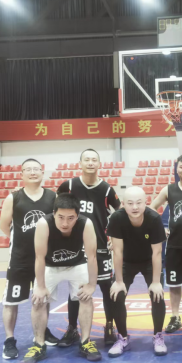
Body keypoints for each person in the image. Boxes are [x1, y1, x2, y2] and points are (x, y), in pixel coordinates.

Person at [19, 194, 100, 363]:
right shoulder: (44, 224)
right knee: (38, 300)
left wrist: (92, 285)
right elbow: (39, 257)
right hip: (50, 265)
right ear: (54, 213)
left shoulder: (86, 224)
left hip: (76, 264)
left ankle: (85, 342)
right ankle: (39, 345)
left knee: (85, 297)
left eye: (70, 218)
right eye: (61, 217)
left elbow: (92, 257)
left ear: (77, 216)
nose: (65, 223)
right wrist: (40, 286)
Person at [56, 148, 121, 347]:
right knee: (76, 291)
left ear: (99, 164)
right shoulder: (68, 186)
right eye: (87, 160)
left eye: (94, 160)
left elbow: (120, 213)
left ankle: (109, 326)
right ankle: (72, 328)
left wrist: (114, 237)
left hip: (100, 248)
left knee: (107, 288)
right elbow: (56, 211)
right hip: (75, 249)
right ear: (80, 163)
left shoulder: (107, 190)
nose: (91, 163)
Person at [0, 158, 58, 359]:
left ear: (42, 172)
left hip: (45, 259)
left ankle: (41, 333)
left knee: (43, 298)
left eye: (36, 169)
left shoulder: (52, 197)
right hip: (20, 260)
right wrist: (20, 240)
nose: (33, 172)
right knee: (11, 301)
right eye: (28, 169)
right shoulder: (13, 198)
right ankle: (9, 340)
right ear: (22, 174)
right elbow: (4, 225)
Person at [107, 187, 168, 357]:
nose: (134, 207)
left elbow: (157, 252)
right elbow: (117, 251)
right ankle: (122, 338)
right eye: (130, 203)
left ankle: (158, 335)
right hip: (127, 260)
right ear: (123, 204)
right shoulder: (117, 218)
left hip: (149, 260)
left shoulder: (154, 218)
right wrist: (119, 282)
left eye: (139, 203)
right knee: (117, 294)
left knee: (157, 294)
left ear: (145, 203)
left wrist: (156, 282)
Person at [150, 154, 182, 333]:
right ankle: (175, 316)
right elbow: (151, 209)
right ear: (177, 169)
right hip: (174, 245)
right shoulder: (168, 190)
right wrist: (160, 228)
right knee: (174, 284)